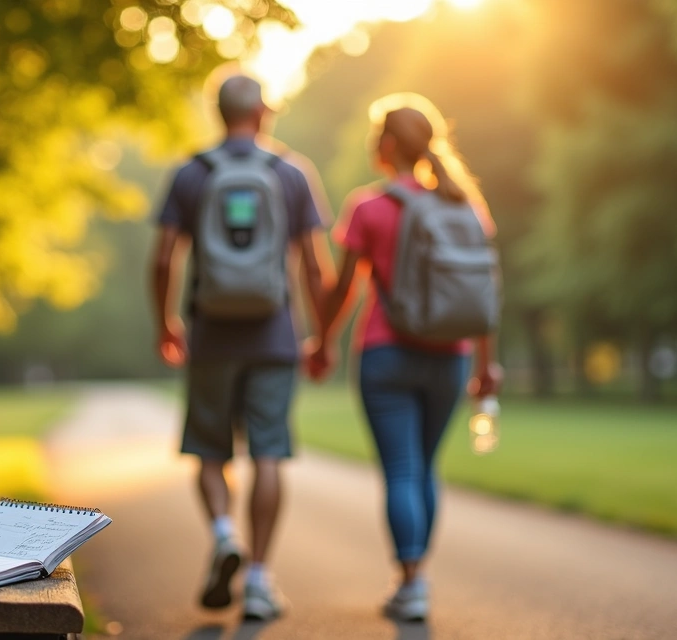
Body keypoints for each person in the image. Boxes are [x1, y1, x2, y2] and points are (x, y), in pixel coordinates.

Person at [306, 92, 503, 621]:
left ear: (387, 145)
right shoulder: (465, 204)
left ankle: (411, 580)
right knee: (425, 469)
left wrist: (322, 342)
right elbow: (480, 289)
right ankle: (415, 579)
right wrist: (487, 363)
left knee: (401, 469)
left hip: (386, 353)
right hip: (451, 355)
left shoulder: (370, 206)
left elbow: (344, 288)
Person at [150, 74, 332, 620]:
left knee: (209, 450)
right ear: (264, 113)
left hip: (209, 333)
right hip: (274, 336)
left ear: (218, 112)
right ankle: (257, 579)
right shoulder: (291, 173)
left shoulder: (192, 173)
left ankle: (225, 535)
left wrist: (165, 324)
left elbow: (163, 258)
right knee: (269, 452)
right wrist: (322, 336)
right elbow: (315, 265)